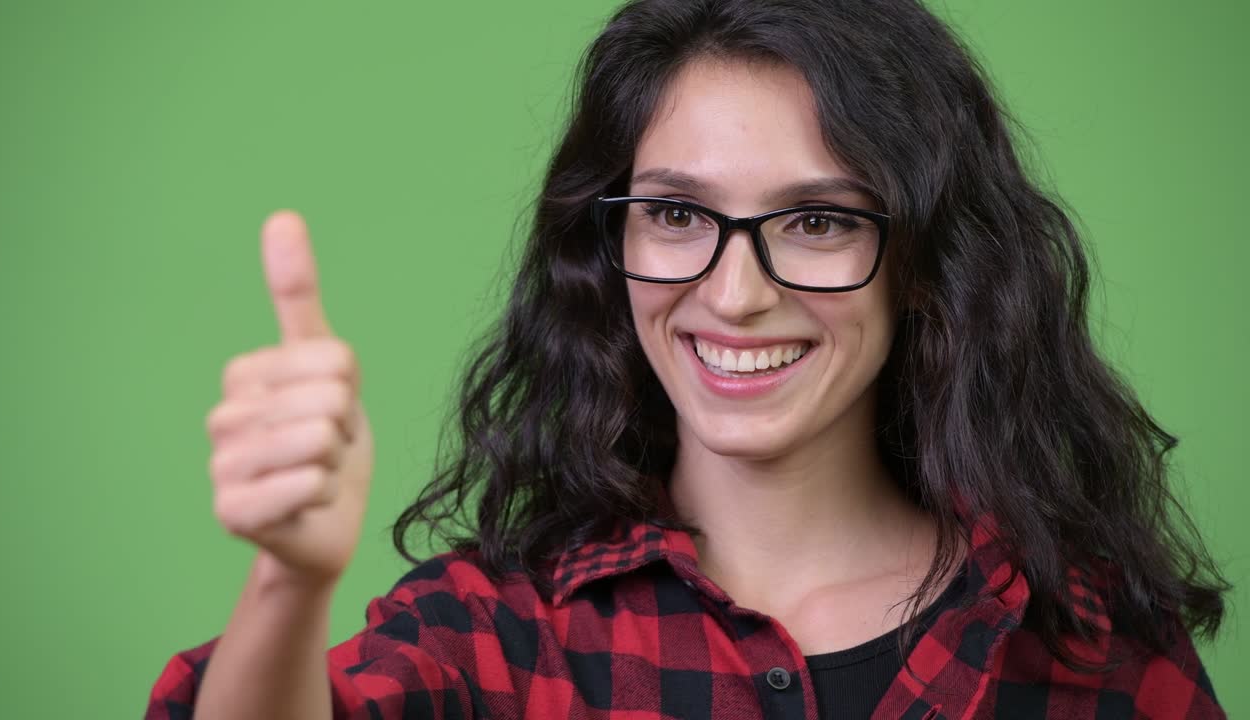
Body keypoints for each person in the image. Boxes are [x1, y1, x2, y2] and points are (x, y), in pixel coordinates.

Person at [146, 0, 1231, 717]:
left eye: (815, 222)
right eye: (674, 212)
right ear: (606, 246)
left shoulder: (1092, 651)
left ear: (920, 263)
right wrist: (288, 582)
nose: (733, 293)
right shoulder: (501, 632)